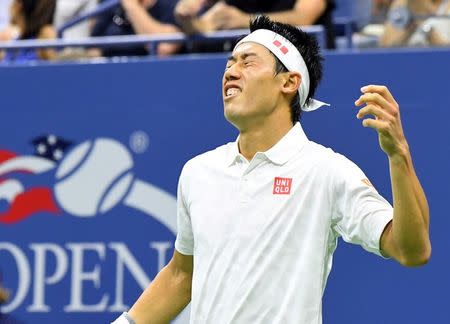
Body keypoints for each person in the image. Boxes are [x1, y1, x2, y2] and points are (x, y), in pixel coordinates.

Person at [112, 15, 431, 324]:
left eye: (247, 62)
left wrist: (398, 155)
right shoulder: (198, 172)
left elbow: (411, 250)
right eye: (229, 63)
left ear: (290, 81)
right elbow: (183, 275)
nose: (230, 73)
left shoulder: (326, 171)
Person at [174, 0, 336, 51]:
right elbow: (205, 27)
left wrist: (246, 20)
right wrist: (187, 19)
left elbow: (304, 18)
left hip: (304, 67)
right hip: (253, 72)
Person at [91, 0, 182, 57]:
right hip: (111, 77)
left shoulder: (171, 5)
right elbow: (93, 49)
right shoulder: (110, 5)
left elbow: (163, 48)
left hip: (151, 76)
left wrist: (132, 6)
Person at [380, 0, 450, 47]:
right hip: (406, 62)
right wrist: (410, 29)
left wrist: (426, 29)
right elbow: (385, 45)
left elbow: (446, 53)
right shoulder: (403, 3)